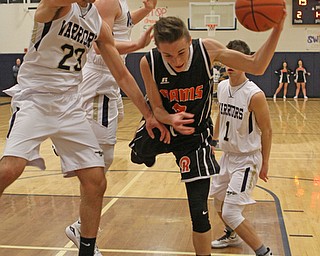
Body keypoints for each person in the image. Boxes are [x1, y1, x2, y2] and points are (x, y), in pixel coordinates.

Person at [0, 1, 168, 256]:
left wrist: (148, 115)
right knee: (11, 168)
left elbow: (121, 73)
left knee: (95, 181)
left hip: (69, 104)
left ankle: (86, 249)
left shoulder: (96, 23)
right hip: (35, 99)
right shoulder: (54, 7)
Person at [129, 9, 286, 256]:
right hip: (163, 126)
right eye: (168, 55)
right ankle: (146, 154)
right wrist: (170, 118)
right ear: (158, 49)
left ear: (189, 41)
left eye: (181, 52)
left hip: (195, 137)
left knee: (199, 212)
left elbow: (257, 65)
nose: (177, 61)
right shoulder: (148, 62)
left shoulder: (207, 50)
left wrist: (277, 29)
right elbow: (156, 108)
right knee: (137, 155)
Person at [64, 0, 158, 253]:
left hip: (109, 79)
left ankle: (82, 225)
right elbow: (99, 45)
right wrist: (138, 45)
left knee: (102, 162)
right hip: (99, 79)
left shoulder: (119, 2)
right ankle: (83, 229)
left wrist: (146, 11)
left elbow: (121, 24)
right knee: (97, 169)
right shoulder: (106, 1)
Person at [209, 40, 273, 256]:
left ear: (245, 62)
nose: (230, 63)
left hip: (247, 160)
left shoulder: (255, 94)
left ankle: (264, 252)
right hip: (227, 156)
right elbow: (221, 115)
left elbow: (268, 130)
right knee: (218, 203)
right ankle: (231, 234)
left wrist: (265, 162)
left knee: (231, 212)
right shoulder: (222, 86)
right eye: (227, 57)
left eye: (236, 59)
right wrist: (212, 141)